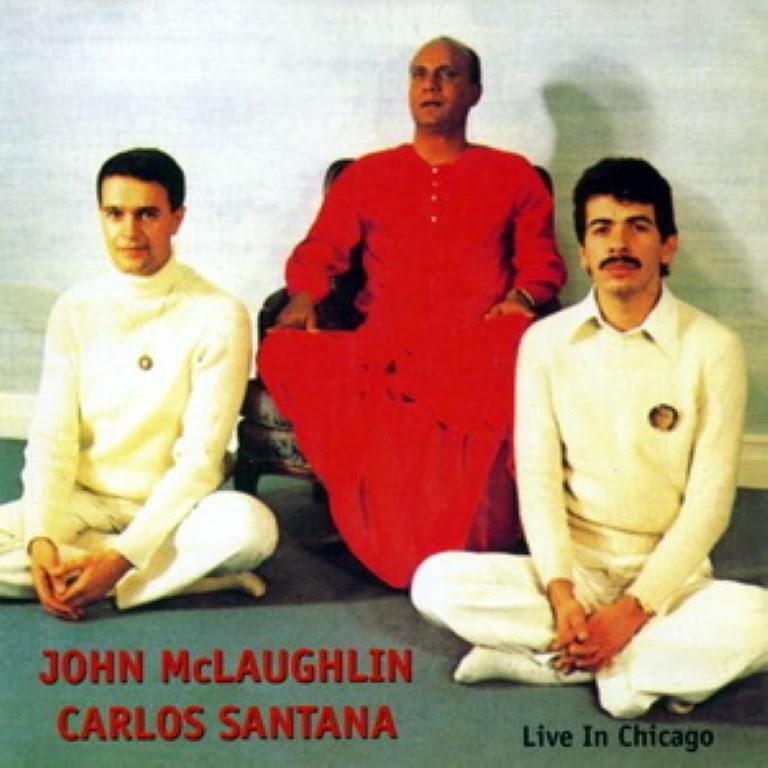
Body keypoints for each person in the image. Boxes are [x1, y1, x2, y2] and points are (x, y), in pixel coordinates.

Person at [411, 158, 768, 717]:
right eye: (602, 229)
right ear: (583, 252)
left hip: (669, 582)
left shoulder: (713, 347)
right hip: (571, 571)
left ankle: (549, 662)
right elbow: (538, 481)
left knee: (761, 620)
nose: (618, 244)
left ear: (668, 246)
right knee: (435, 582)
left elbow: (711, 505)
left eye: (638, 227)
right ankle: (633, 675)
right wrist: (561, 593)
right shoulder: (545, 343)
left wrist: (634, 609)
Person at [258, 37, 566, 587]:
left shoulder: (513, 175)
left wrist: (519, 301)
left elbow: (541, 264)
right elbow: (322, 249)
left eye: (446, 74)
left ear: (474, 91)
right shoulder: (368, 175)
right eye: (419, 74)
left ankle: (455, 535)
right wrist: (303, 296)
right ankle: (397, 538)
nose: (430, 85)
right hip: (384, 346)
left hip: (475, 346)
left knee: (520, 344)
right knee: (283, 348)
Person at [0, 148, 278, 620]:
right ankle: (171, 580)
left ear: (177, 219)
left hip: (175, 514)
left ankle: (97, 571)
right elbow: (51, 438)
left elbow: (200, 461)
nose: (129, 232)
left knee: (251, 528)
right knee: (35, 532)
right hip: (83, 503)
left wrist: (122, 555)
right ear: (100, 217)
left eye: (147, 214)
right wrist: (42, 539)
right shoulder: (75, 308)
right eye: (115, 214)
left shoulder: (219, 314)